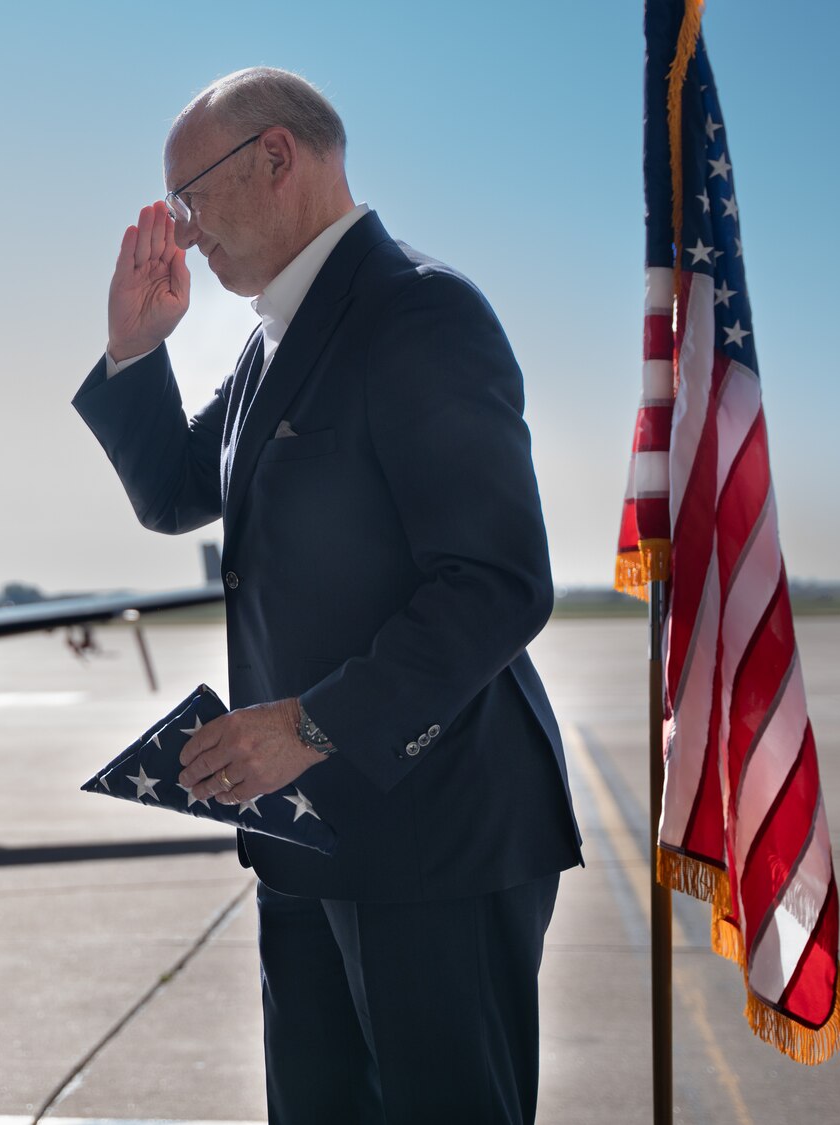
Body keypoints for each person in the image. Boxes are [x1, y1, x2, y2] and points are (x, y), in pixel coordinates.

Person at [72, 68, 581, 1124]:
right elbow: (174, 495)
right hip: (308, 833)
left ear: (273, 157)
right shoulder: (273, 341)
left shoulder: (416, 312)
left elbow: (494, 582)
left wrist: (309, 724)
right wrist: (133, 352)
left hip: (433, 837)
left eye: (189, 197)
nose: (183, 230)